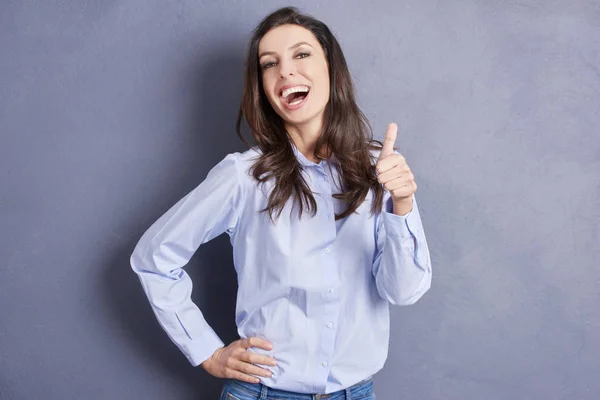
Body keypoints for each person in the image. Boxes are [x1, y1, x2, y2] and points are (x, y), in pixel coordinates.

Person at [130, 6, 432, 400]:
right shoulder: (244, 177)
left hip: (356, 393)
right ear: (263, 87)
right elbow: (153, 259)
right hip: (263, 394)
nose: (285, 71)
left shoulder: (380, 169)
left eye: (301, 54)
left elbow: (403, 291)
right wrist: (207, 352)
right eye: (269, 64)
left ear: (331, 69)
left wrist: (402, 204)